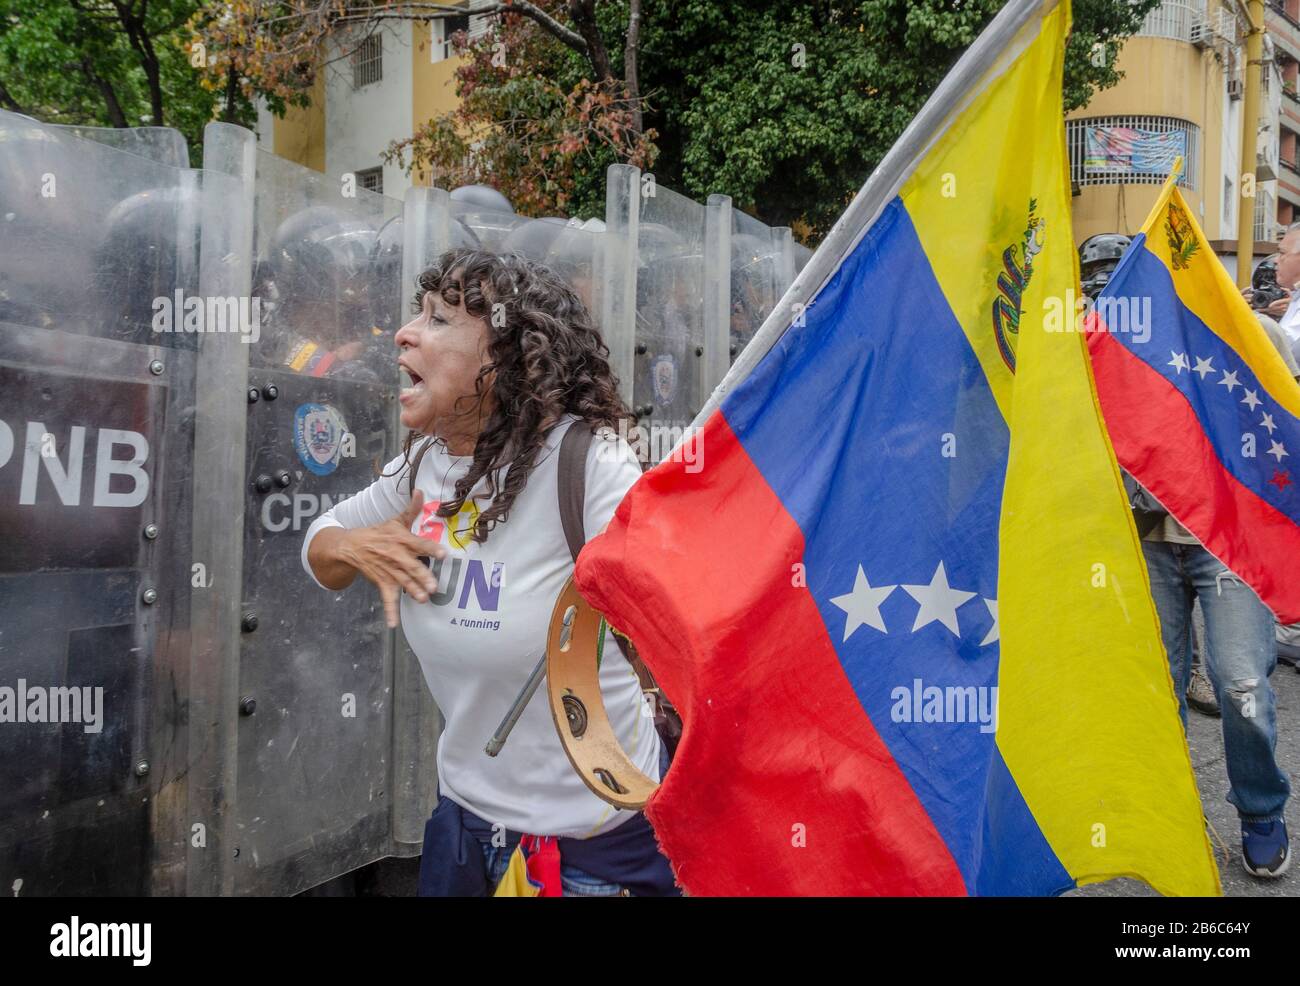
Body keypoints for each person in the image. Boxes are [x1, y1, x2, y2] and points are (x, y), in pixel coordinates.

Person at [301, 248, 676, 896]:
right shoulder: (426, 464)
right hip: (465, 833)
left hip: (592, 849)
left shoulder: (588, 466)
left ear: (501, 361)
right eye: (418, 313)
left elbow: (688, 620)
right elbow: (318, 545)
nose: (404, 333)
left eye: (441, 320)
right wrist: (356, 547)